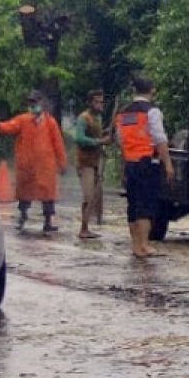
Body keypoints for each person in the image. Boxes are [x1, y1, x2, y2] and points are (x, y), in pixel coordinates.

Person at [0, 89, 67, 233]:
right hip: (26, 166)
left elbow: (58, 144)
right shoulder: (23, 120)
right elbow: (9, 126)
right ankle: (22, 218)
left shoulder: (50, 122)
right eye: (31, 103)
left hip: (45, 167)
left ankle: (48, 221)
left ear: (42, 103)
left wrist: (62, 163)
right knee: (24, 194)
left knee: (47, 196)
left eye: (35, 102)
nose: (33, 105)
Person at [115, 76, 174, 258]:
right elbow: (160, 139)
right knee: (146, 203)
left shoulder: (123, 113)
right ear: (152, 90)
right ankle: (144, 245)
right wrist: (168, 164)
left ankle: (135, 246)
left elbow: (120, 139)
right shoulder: (152, 112)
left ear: (134, 91)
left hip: (130, 163)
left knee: (133, 203)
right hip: (147, 162)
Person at [73, 89, 111, 239]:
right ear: (90, 103)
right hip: (85, 163)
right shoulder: (84, 118)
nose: (100, 104)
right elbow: (80, 138)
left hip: (95, 161)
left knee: (95, 196)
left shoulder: (98, 119)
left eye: (101, 102)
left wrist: (104, 138)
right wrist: (100, 141)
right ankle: (83, 228)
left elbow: (96, 136)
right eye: (96, 102)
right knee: (88, 196)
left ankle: (87, 226)